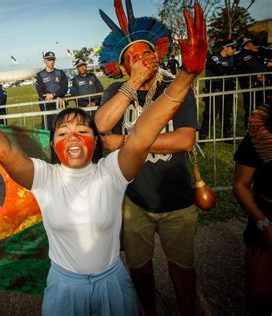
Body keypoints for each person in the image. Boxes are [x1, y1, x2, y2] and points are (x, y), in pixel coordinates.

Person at [0, 3, 205, 313]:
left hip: (113, 284)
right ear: (52, 144)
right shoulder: (44, 177)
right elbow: (3, 149)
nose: (72, 137)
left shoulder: (112, 171)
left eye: (82, 129)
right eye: (62, 132)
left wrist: (186, 75)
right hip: (64, 289)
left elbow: (142, 136)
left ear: (95, 141)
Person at [95, 2, 202, 315]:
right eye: (134, 58)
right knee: (139, 269)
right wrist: (132, 83)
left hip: (177, 198)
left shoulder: (176, 87)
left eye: (147, 53)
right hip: (133, 201)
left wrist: (128, 141)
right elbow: (102, 126)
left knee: (182, 267)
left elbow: (184, 139)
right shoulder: (116, 91)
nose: (143, 60)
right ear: (124, 67)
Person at [233, 103, 272, 315]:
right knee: (259, 301)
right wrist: (264, 224)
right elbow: (240, 185)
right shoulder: (261, 128)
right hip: (266, 217)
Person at [198, 39, 237, 140]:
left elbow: (237, 70)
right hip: (215, 90)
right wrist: (230, 70)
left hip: (228, 89)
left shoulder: (233, 58)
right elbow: (219, 70)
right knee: (210, 115)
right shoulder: (213, 58)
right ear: (225, 47)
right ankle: (203, 136)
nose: (234, 50)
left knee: (227, 114)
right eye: (232, 47)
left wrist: (229, 71)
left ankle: (227, 136)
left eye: (235, 48)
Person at [235, 37, 267, 129]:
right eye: (249, 42)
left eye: (251, 42)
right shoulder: (240, 56)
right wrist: (254, 75)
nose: (252, 43)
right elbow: (240, 71)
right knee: (250, 107)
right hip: (249, 85)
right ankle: (249, 127)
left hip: (262, 85)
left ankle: (261, 126)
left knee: (263, 107)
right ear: (245, 45)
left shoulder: (258, 52)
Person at [35, 52, 68, 129]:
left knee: (62, 129)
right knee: (49, 130)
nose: (51, 62)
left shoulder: (60, 73)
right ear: (45, 61)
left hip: (60, 105)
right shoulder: (40, 75)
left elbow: (64, 89)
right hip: (47, 107)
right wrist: (55, 97)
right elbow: (41, 92)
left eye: (53, 59)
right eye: (49, 60)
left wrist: (53, 95)